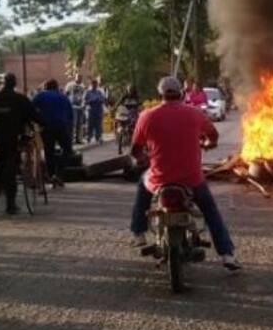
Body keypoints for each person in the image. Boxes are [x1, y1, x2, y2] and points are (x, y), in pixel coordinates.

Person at [130, 76, 241, 271]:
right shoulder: (194, 113)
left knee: (142, 184)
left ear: (160, 94)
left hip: (159, 179)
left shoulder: (146, 116)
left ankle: (138, 233)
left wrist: (142, 159)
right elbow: (213, 136)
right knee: (210, 210)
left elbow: (135, 150)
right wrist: (208, 144)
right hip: (192, 179)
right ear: (181, 93)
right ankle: (227, 254)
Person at [0, 73, 42, 214]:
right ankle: (10, 205)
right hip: (13, 139)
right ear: (14, 84)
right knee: (10, 169)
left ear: (3, 83)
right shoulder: (20, 99)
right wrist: (44, 123)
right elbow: (33, 115)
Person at [32, 78, 75, 187]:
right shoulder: (64, 97)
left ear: (46, 86)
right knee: (67, 149)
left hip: (47, 127)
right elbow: (70, 117)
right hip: (62, 126)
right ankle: (59, 173)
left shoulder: (40, 95)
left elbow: (30, 109)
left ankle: (51, 175)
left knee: (49, 151)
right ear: (56, 87)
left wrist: (38, 121)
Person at [83, 78, 107, 144]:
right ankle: (89, 137)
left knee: (98, 125)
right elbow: (85, 101)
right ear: (91, 84)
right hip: (91, 110)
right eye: (93, 84)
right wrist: (91, 100)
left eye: (96, 84)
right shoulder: (88, 92)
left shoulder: (99, 92)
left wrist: (99, 100)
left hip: (99, 110)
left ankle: (98, 137)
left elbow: (103, 100)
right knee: (90, 124)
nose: (95, 85)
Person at [66, 73, 86, 144]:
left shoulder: (82, 86)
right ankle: (71, 139)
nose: (80, 79)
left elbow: (84, 95)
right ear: (75, 77)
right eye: (78, 77)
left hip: (80, 107)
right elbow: (66, 94)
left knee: (79, 123)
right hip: (73, 107)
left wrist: (83, 104)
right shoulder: (70, 85)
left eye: (81, 78)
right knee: (73, 123)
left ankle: (79, 139)